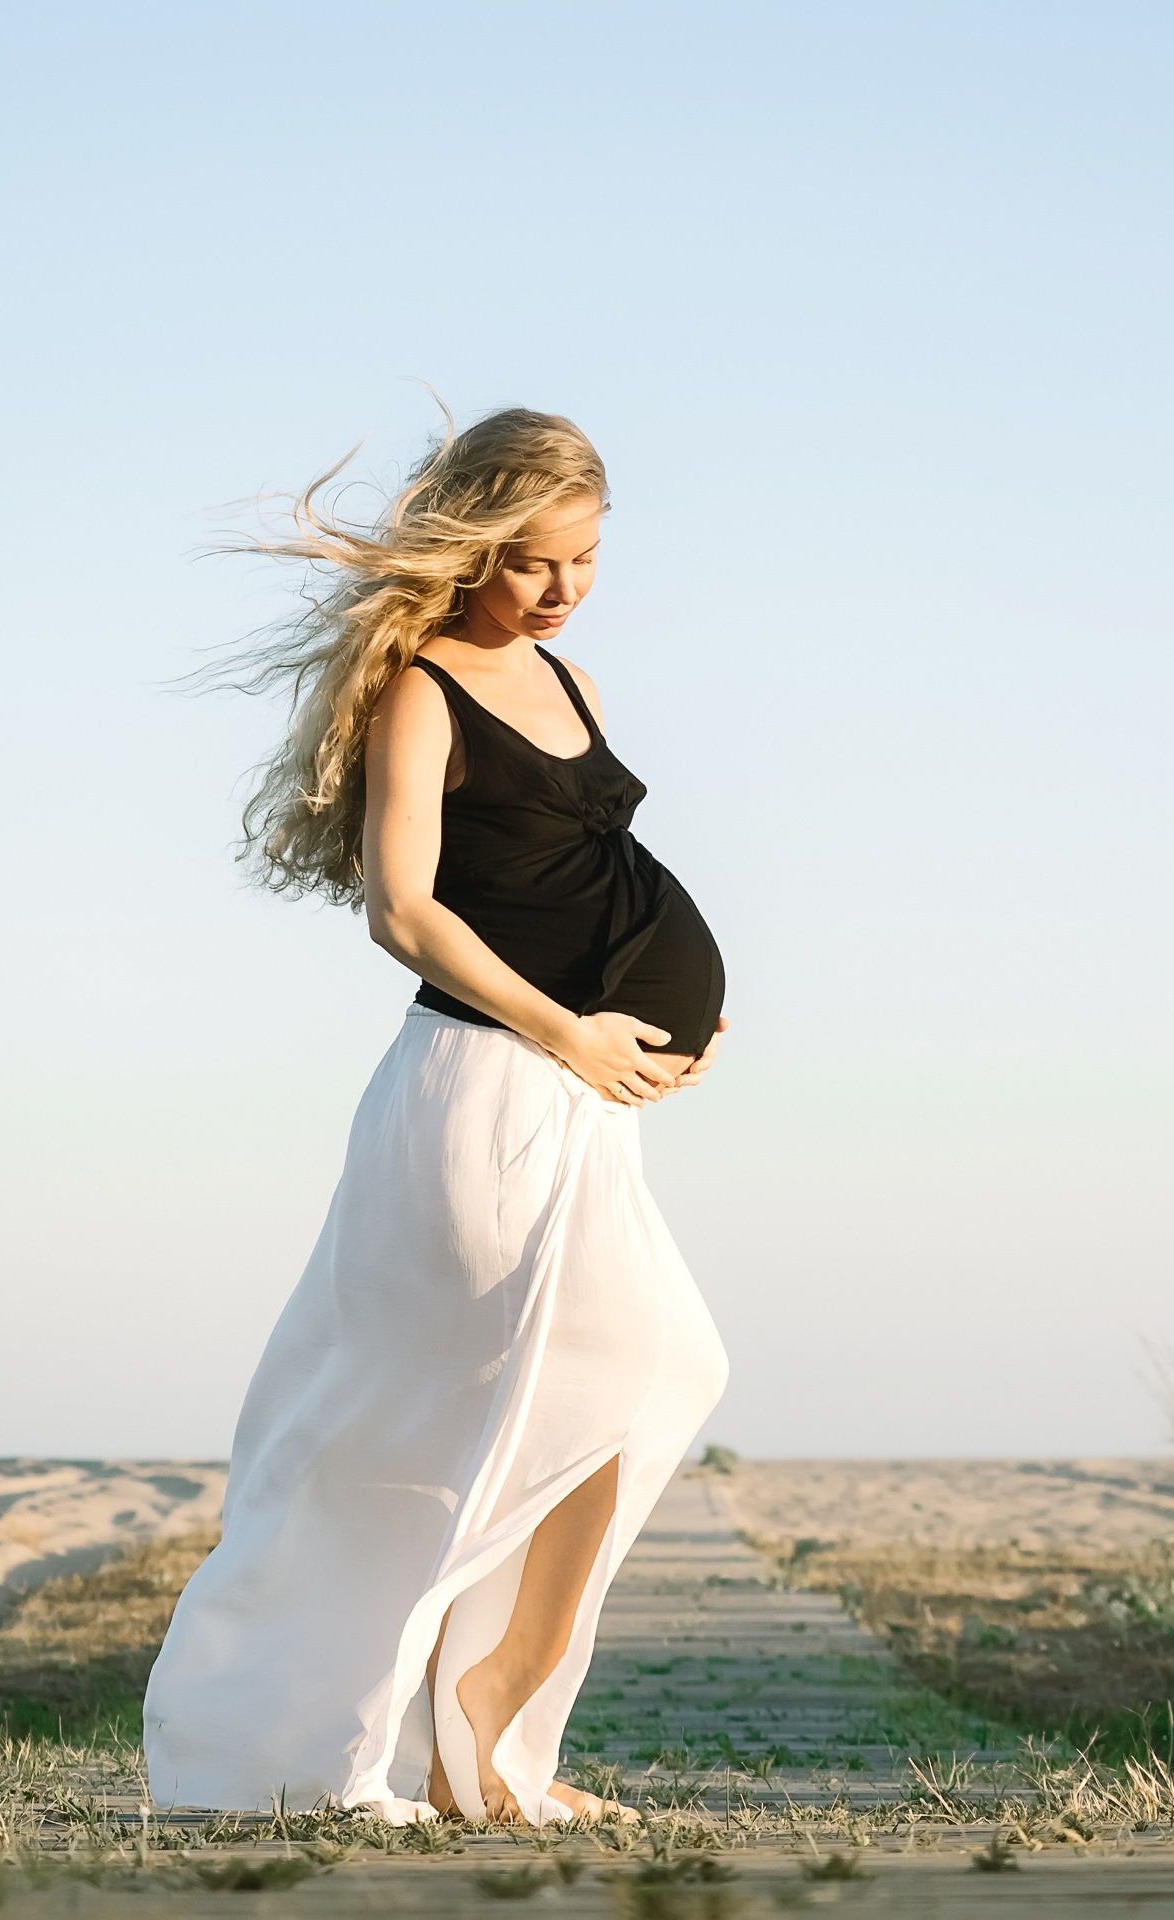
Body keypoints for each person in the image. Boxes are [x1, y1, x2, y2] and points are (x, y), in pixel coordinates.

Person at [142, 409, 730, 1825]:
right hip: (480, 1091)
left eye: (583, 558)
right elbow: (403, 909)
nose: (562, 588)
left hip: (586, 1099)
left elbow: (589, 874)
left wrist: (678, 1021)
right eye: (531, 562)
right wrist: (571, 1026)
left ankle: (498, 1724)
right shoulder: (420, 690)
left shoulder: (568, 677)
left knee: (650, 1379)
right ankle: (366, 1727)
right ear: (470, 544)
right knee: (451, 1412)